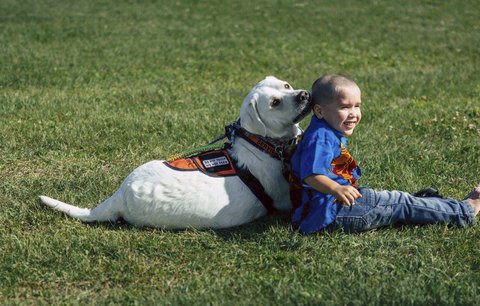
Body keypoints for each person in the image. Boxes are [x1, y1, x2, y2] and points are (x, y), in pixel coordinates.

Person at [290, 74, 480, 234]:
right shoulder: (320, 138)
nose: (354, 113)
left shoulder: (324, 130)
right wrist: (336, 189)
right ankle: (463, 211)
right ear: (320, 111)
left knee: (397, 200)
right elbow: (312, 175)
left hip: (334, 206)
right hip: (332, 213)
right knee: (400, 203)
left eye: (357, 105)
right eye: (344, 107)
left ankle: (428, 203)